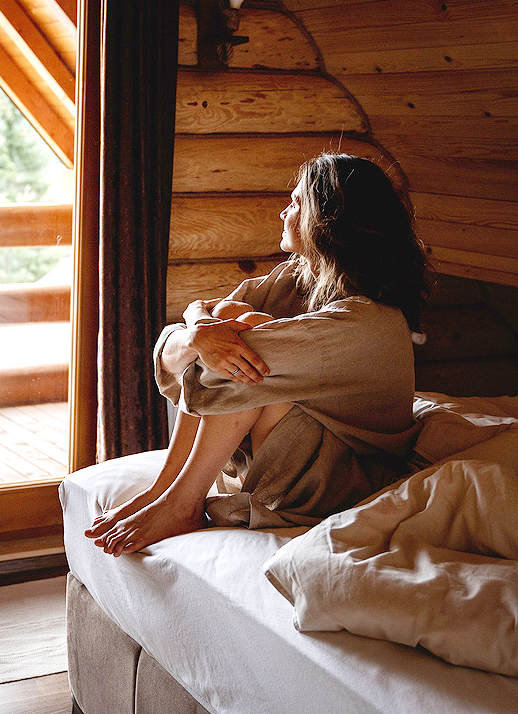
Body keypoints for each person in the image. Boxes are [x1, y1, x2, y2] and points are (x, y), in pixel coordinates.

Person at [86, 153, 430, 556]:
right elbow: (181, 345)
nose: (284, 212)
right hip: (282, 461)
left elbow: (228, 358)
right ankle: (166, 490)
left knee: (243, 358)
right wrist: (198, 329)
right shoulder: (300, 276)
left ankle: (182, 503)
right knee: (233, 325)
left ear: (327, 220)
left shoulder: (368, 322)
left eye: (297, 203)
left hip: (341, 478)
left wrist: (202, 335)